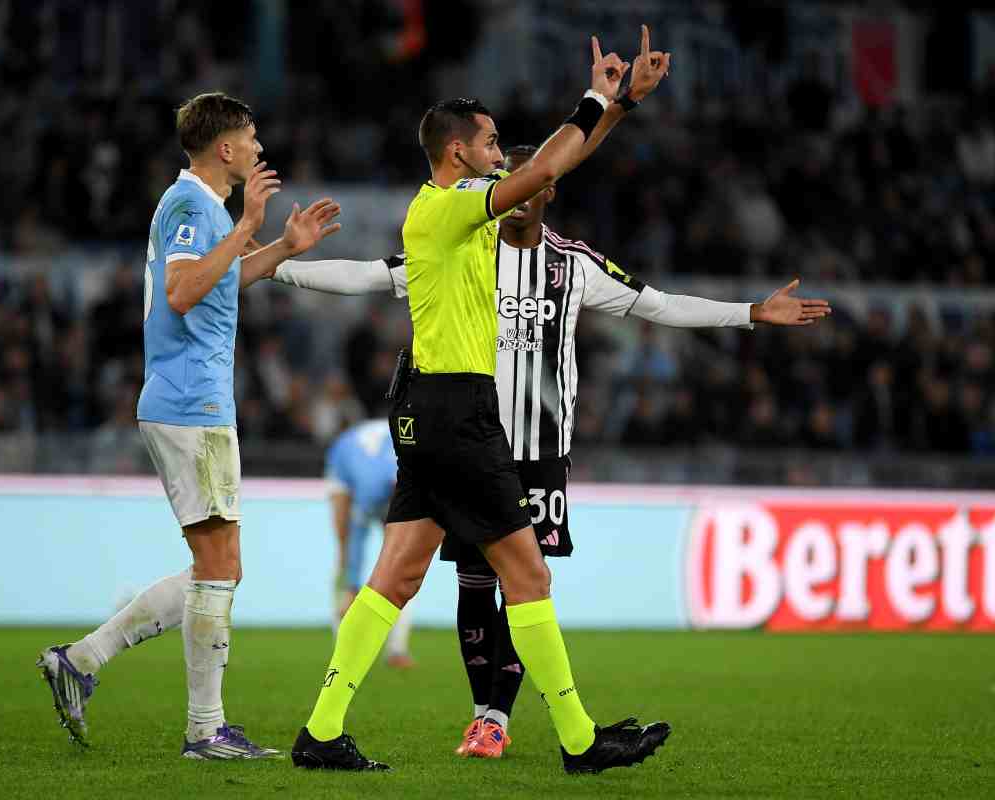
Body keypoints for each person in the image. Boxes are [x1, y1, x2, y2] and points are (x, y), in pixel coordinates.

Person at [273, 146, 830, 758]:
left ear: (546, 191)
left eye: (524, 182)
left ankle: (489, 721)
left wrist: (749, 313)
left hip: (535, 452)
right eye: (501, 180)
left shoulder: (572, 265)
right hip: (467, 440)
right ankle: (537, 729)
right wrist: (280, 264)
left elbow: (660, 304)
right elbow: (371, 275)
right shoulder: (463, 245)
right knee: (479, 583)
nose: (512, 192)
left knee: (504, 581)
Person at [286, 26, 675, 775]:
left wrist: (619, 106)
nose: (506, 153)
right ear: (459, 152)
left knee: (396, 576)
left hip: (426, 412)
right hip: (459, 414)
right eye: (494, 142)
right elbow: (541, 173)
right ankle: (580, 742)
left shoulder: (462, 215)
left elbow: (552, 170)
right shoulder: (448, 207)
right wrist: (596, 95)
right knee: (528, 577)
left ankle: (321, 731)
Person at [36, 92, 341, 759]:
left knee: (220, 567)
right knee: (220, 567)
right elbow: (180, 290)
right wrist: (247, 226)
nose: (260, 149)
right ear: (226, 147)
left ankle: (83, 661)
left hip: (194, 401)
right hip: (189, 402)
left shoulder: (204, 209)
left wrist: (282, 246)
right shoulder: (190, 206)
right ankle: (202, 730)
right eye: (252, 137)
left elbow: (218, 281)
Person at [324, 419, 414, 668]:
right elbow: (357, 537)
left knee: (404, 563)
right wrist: (353, 584)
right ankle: (341, 646)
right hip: (344, 465)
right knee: (344, 549)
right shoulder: (370, 486)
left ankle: (397, 650)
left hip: (383, 463)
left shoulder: (418, 478)